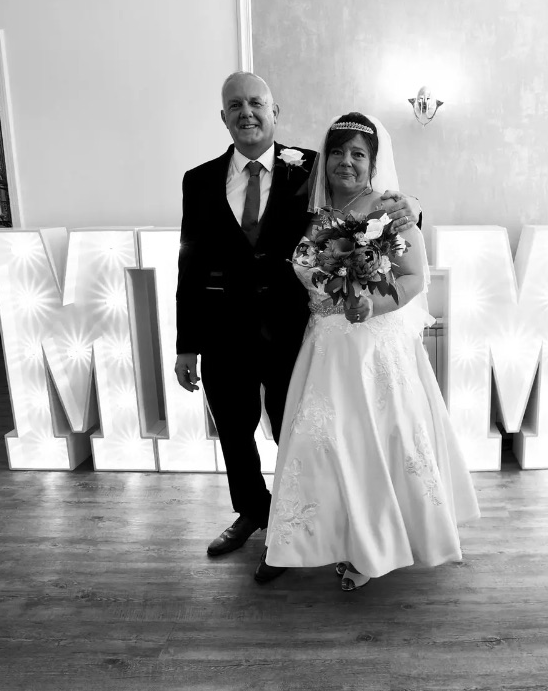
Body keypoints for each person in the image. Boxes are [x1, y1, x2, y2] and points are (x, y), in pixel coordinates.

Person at [173, 73, 420, 584]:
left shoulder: (313, 165)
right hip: (224, 334)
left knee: (302, 437)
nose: (247, 112)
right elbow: (190, 265)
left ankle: (297, 530)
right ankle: (252, 513)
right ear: (223, 116)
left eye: (257, 103)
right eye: (235, 105)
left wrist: (407, 207)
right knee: (235, 432)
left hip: (295, 334)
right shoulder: (197, 180)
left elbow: (368, 199)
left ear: (275, 110)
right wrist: (185, 345)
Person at [265, 112, 479, 591]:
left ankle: (374, 550)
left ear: (373, 162)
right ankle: (332, 539)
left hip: (372, 352)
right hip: (322, 349)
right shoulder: (310, 211)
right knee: (322, 448)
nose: (346, 162)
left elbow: (412, 278)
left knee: (376, 448)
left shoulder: (389, 210)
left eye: (358, 154)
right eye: (338, 152)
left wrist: (370, 303)